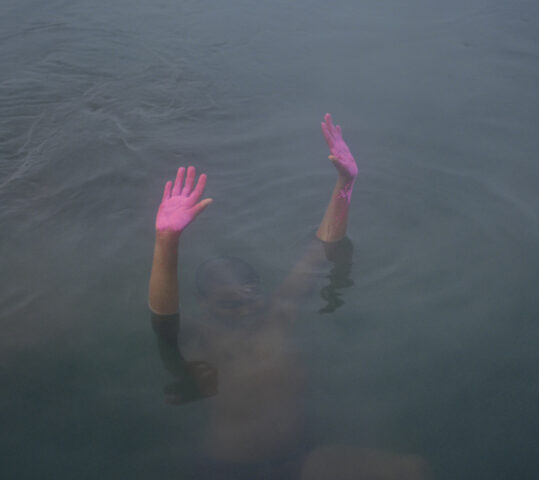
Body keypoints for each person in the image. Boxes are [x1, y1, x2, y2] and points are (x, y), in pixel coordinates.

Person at [148, 114, 429, 479]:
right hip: (229, 469)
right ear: (207, 305)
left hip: (299, 460)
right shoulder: (203, 337)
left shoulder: (277, 316)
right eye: (231, 303)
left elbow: (322, 248)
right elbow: (164, 319)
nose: (246, 309)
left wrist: (345, 184)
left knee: (413, 471)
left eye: (250, 298)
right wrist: (166, 242)